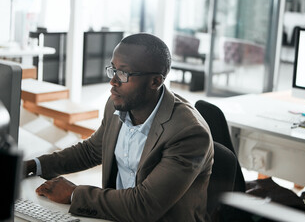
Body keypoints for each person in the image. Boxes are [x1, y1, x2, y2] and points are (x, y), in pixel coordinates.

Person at [24, 33, 214, 222]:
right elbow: (91, 151)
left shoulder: (188, 132)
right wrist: (35, 165)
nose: (113, 81)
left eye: (123, 73)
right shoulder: (119, 104)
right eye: (113, 70)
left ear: (155, 81)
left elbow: (144, 205)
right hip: (115, 217)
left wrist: (74, 194)